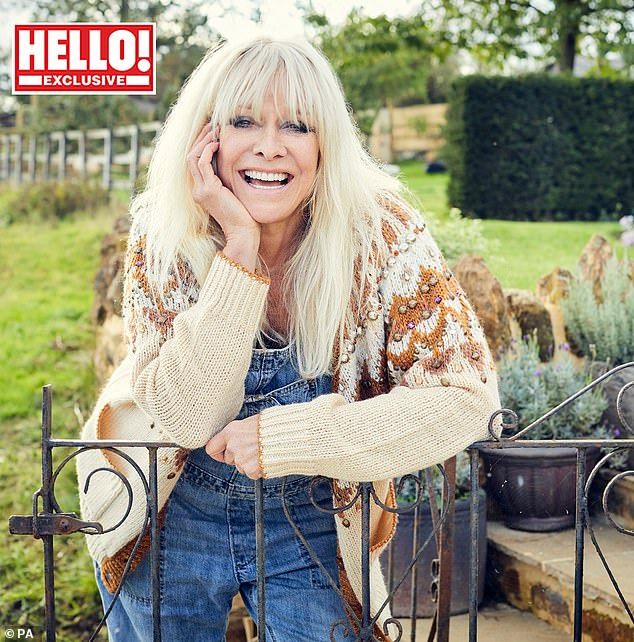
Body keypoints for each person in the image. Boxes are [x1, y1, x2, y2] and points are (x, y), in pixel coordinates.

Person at [76, 35, 501, 642]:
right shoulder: (164, 229)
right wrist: (240, 251)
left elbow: (467, 397)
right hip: (174, 510)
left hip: (313, 518)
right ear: (205, 137)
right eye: (244, 120)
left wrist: (288, 438)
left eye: (297, 125)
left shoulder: (380, 234)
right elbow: (186, 416)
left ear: (324, 144)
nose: (270, 147)